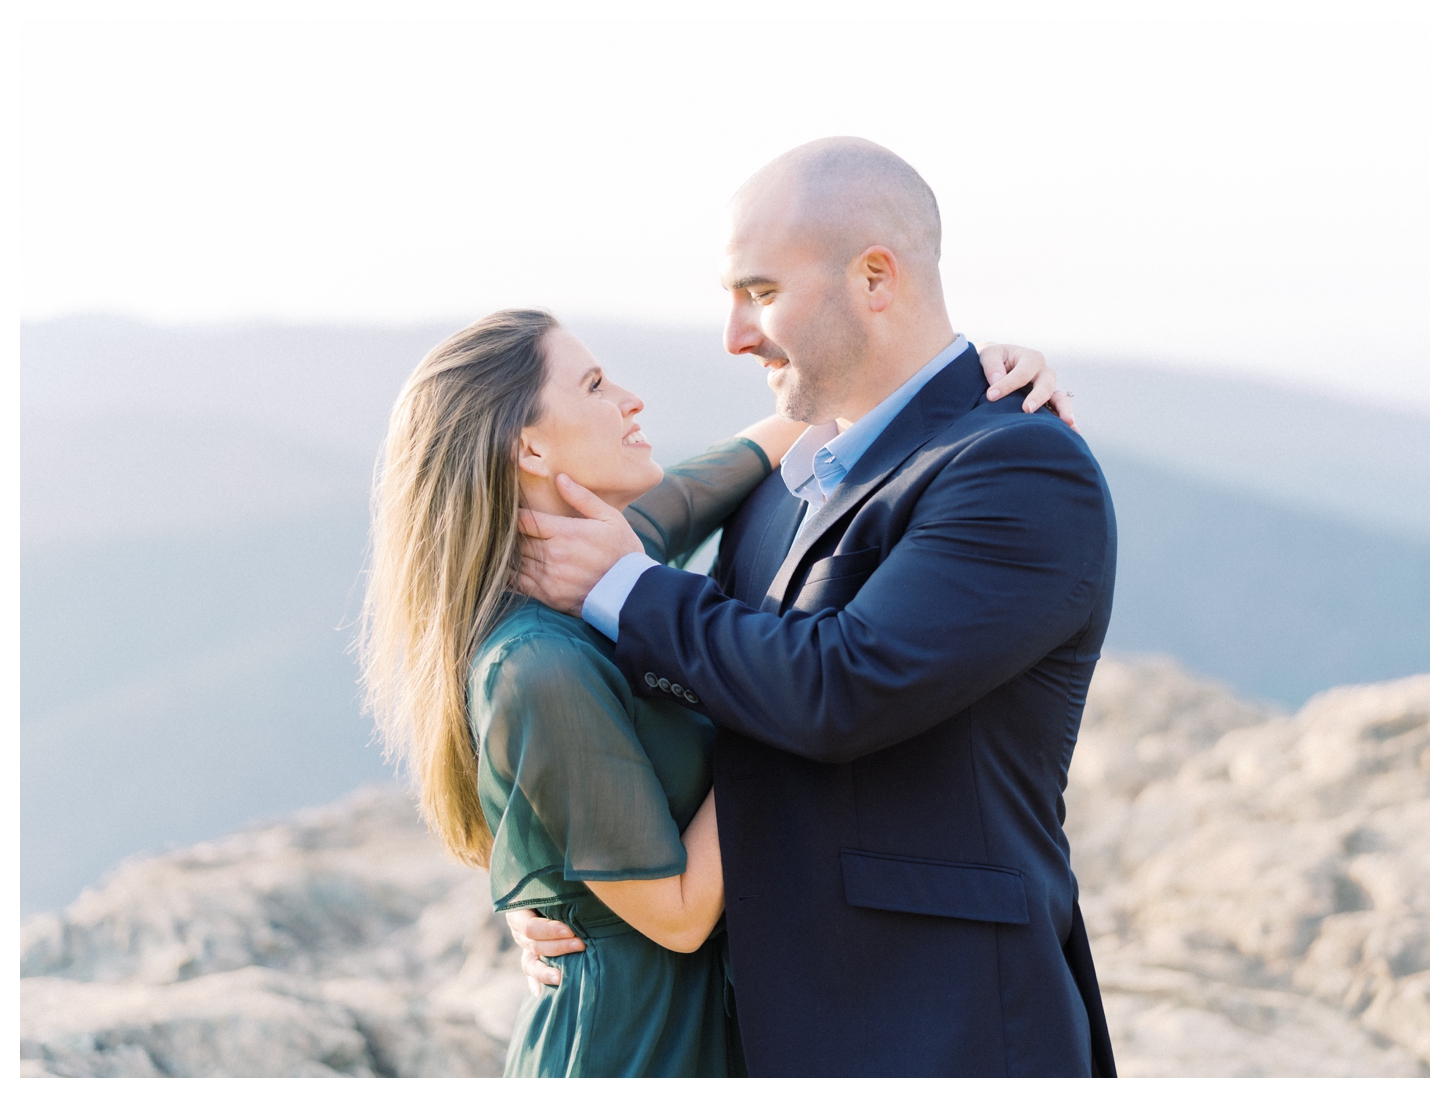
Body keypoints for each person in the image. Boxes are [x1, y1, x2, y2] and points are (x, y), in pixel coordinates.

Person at [511, 137, 1118, 1077]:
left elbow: (845, 686)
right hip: (767, 1026)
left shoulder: (1019, 468)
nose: (734, 336)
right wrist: (564, 877)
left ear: (876, 278)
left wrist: (619, 583)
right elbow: (701, 687)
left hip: (945, 1027)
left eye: (758, 293)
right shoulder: (781, 487)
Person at [359, 307, 1069, 1076]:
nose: (631, 400)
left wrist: (975, 374)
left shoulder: (605, 550)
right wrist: (793, 697)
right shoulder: (536, 665)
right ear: (527, 446)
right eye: (596, 386)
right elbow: (678, 913)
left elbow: (770, 441)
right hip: (630, 1051)